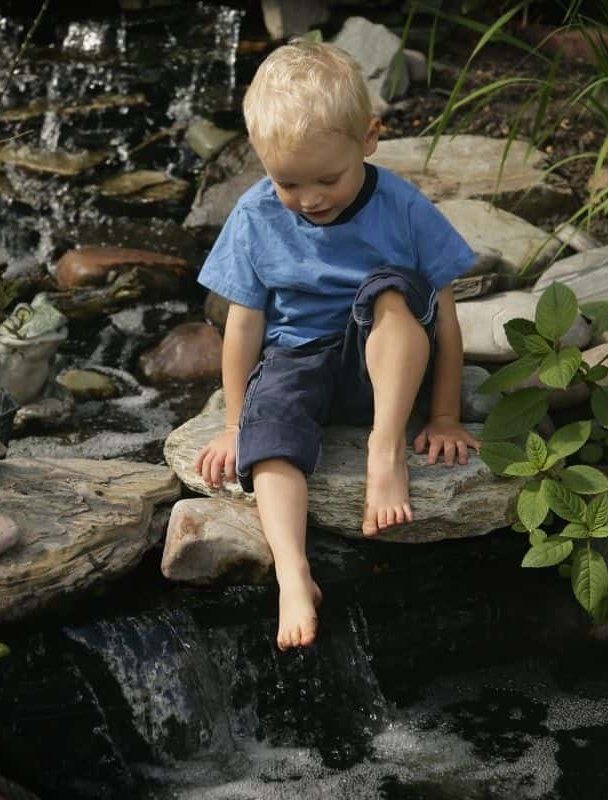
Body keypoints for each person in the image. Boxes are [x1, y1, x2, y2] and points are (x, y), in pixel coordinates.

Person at [193, 39, 481, 651]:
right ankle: (294, 573)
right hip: (299, 358)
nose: (311, 198)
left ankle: (383, 455)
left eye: (329, 178)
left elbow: (447, 317)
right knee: (268, 442)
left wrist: (446, 415)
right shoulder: (254, 215)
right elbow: (242, 325)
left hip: (386, 366)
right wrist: (232, 421)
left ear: (370, 138)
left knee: (393, 292)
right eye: (288, 182)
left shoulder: (403, 207)